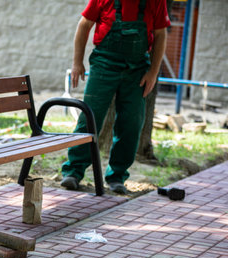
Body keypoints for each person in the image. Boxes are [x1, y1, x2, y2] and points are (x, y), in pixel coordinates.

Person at [61, 0, 170, 194]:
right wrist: (77, 62)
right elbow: (84, 25)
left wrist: (153, 72)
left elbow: (161, 34)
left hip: (137, 70)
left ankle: (117, 176)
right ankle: (73, 171)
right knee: (90, 117)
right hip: (104, 64)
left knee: (132, 122)